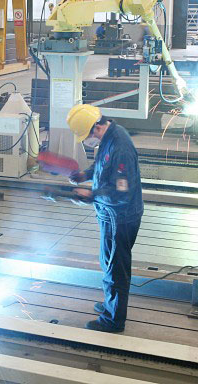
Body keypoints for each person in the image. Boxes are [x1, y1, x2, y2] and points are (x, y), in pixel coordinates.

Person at [66, 104, 143, 333]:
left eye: (87, 136)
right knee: (107, 262)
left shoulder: (120, 147)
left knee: (115, 268)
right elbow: (103, 165)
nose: (88, 140)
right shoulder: (110, 136)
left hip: (120, 217)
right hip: (110, 214)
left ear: (96, 127)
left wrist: (92, 194)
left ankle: (113, 320)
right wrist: (85, 175)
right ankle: (112, 304)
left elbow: (122, 192)